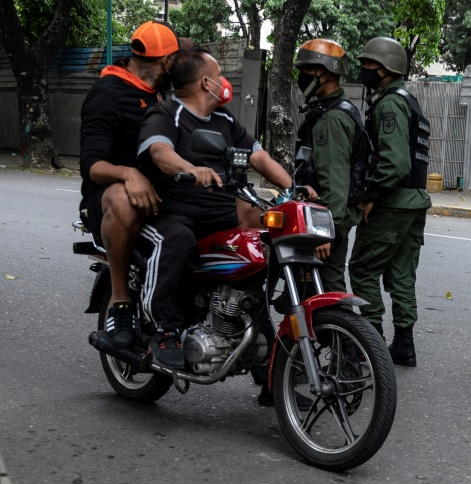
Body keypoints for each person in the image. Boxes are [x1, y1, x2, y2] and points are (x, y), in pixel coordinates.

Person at [135, 48, 314, 369]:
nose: (224, 81)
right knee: (177, 240)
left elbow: (259, 158)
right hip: (173, 216)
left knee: (269, 237)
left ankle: (262, 343)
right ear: (206, 83)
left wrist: (293, 189)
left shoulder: (224, 119)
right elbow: (160, 152)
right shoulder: (166, 113)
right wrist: (191, 168)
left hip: (222, 217)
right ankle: (165, 331)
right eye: (219, 75)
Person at [79, 20, 188, 349]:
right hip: (109, 197)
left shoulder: (161, 94)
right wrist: (128, 174)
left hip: (159, 193)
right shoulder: (108, 94)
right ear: (166, 61)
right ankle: (120, 301)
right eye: (177, 60)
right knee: (124, 199)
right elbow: (92, 166)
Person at [347, 37, 432, 367]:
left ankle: (372, 343)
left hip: (392, 203)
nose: (365, 69)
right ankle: (404, 345)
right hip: (414, 203)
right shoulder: (409, 101)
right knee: (401, 275)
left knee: (363, 269)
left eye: (371, 64)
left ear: (388, 69)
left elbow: (395, 164)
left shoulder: (390, 104)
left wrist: (371, 194)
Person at [292, 39, 363, 294]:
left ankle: (341, 323)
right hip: (323, 214)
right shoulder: (327, 110)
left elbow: (335, 178)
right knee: (311, 287)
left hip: (326, 219)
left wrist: (324, 231)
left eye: (307, 70)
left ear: (324, 72)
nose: (302, 76)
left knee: (328, 287)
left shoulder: (332, 117)